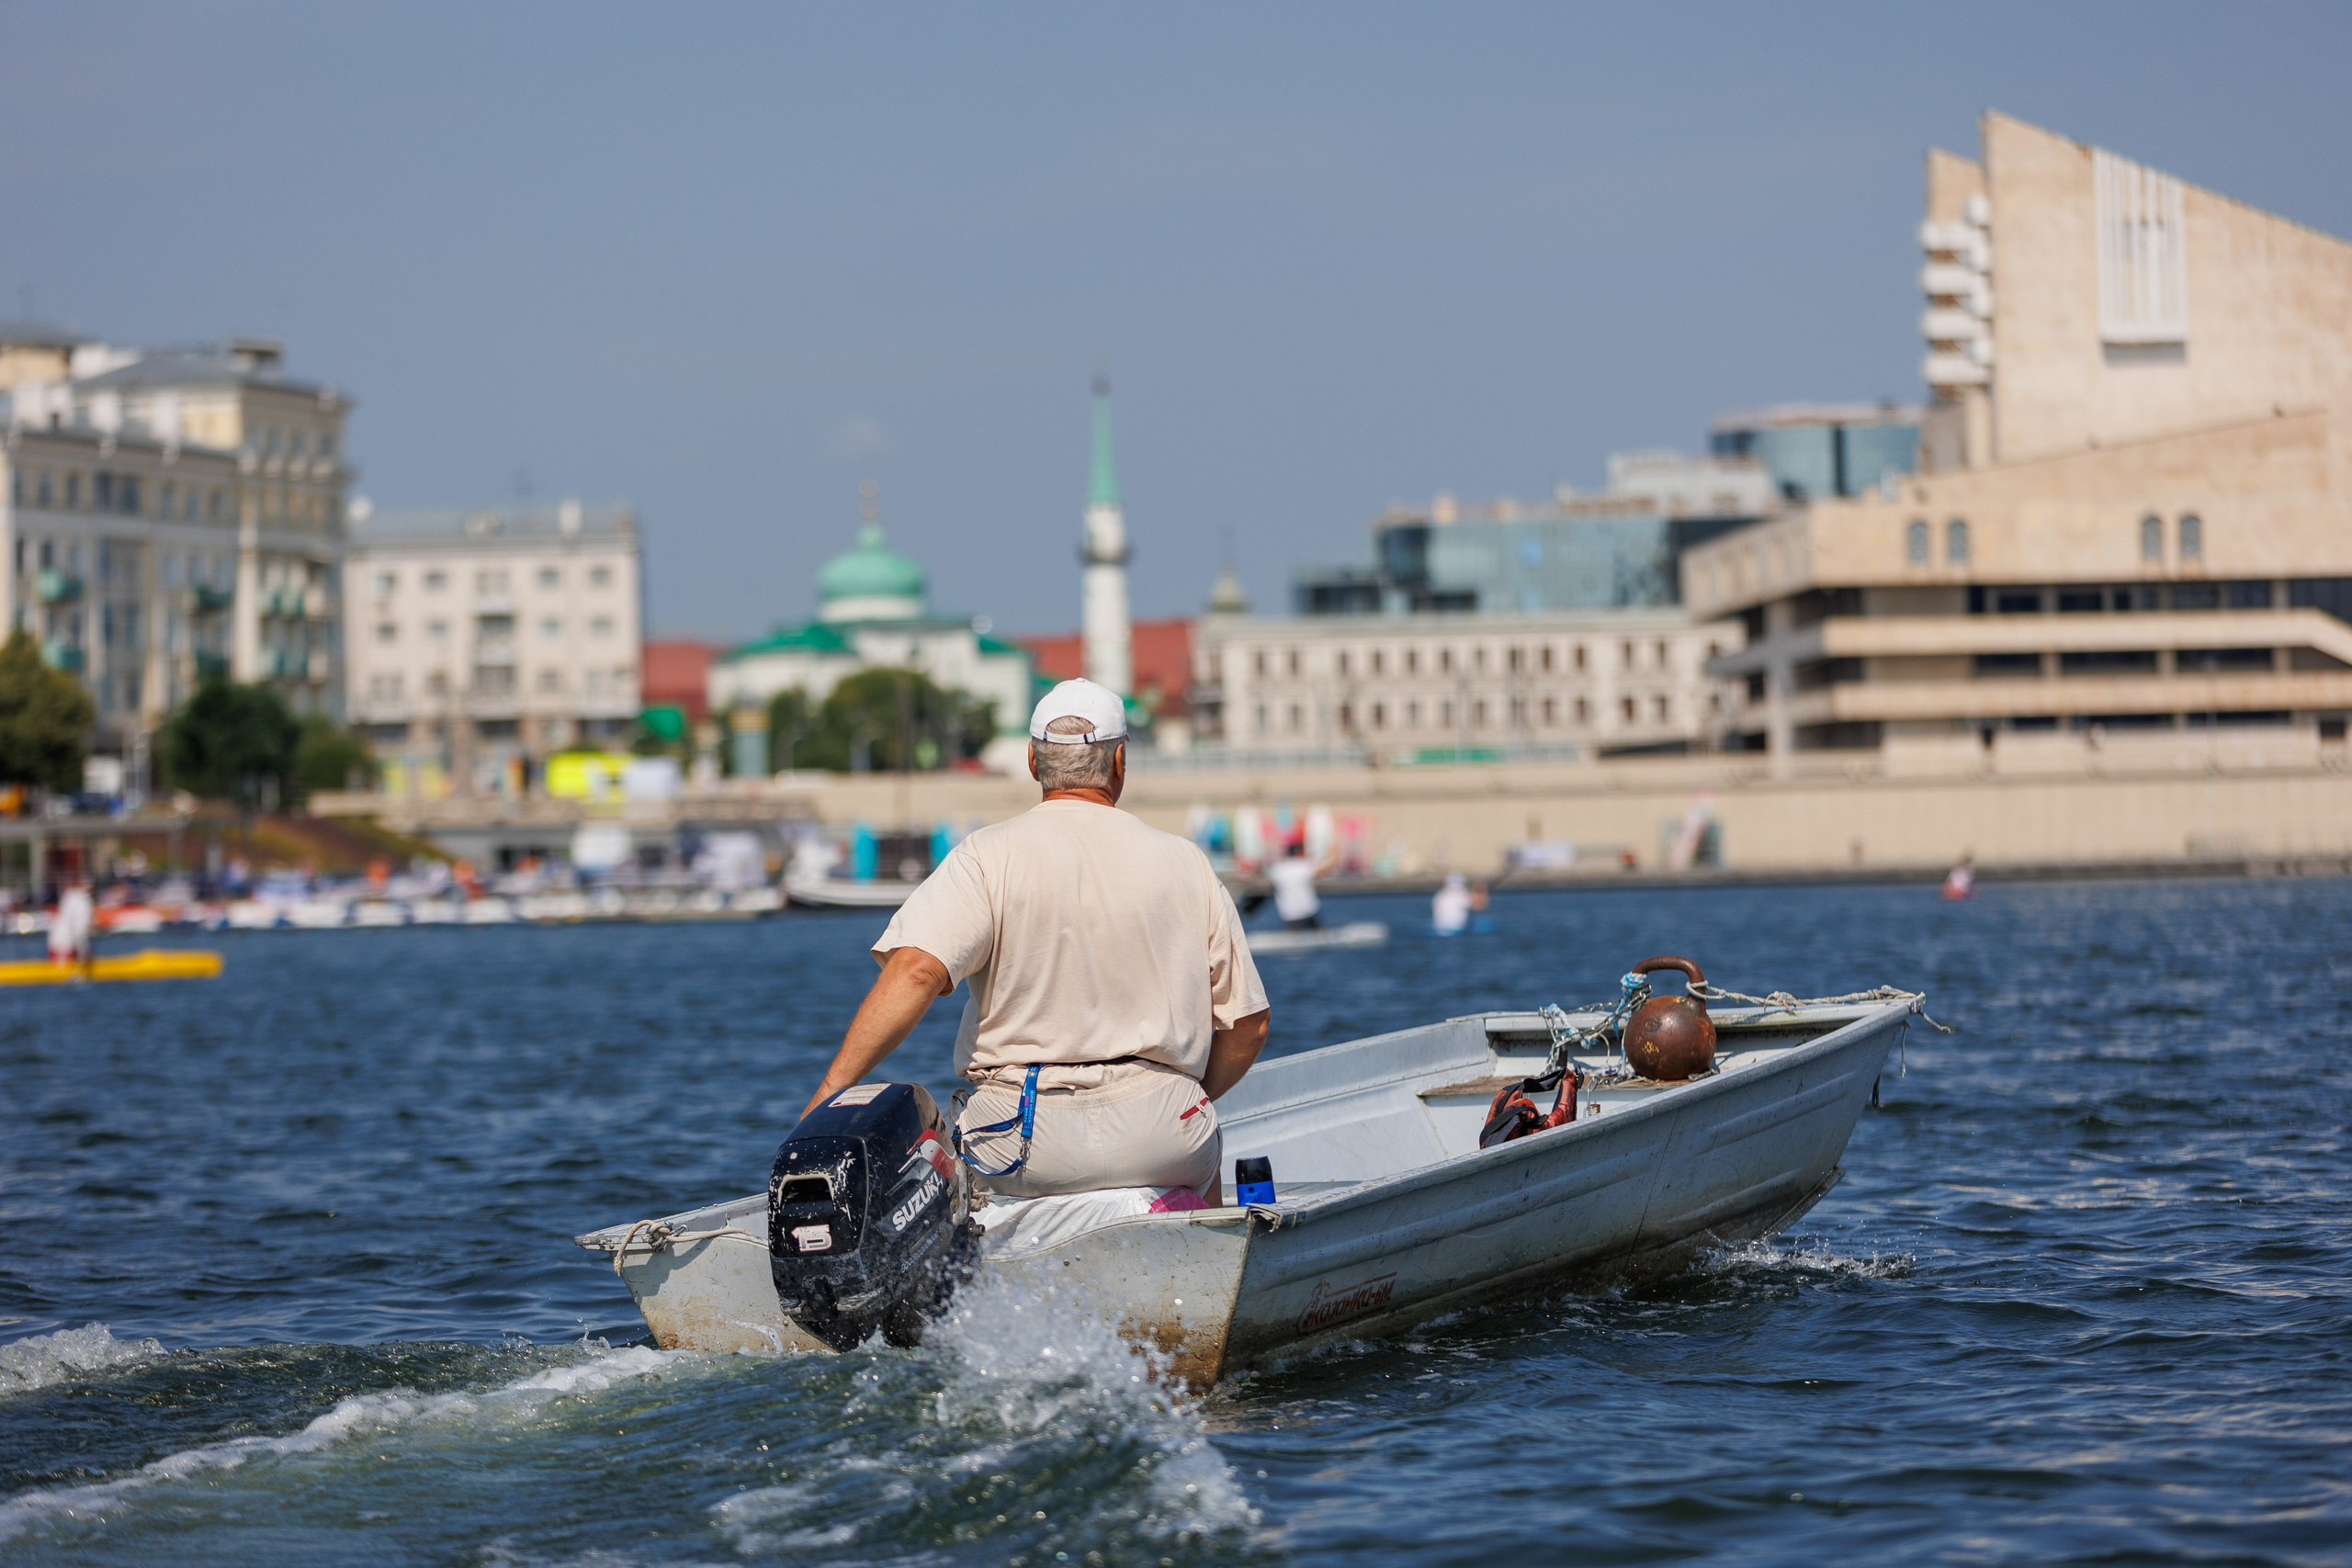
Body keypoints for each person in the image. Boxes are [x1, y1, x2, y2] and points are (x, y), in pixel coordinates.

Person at [798, 678, 1272, 1205]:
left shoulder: (984, 856)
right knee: (1202, 1157)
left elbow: (915, 973)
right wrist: (1182, 1100)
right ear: (1118, 763)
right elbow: (1250, 1026)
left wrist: (825, 1100)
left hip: (1018, 1137)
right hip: (1160, 1132)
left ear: (1031, 761)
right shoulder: (1187, 862)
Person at [1266, 837, 1333, 931]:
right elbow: (1323, 870)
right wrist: (1333, 854)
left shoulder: (1278, 869)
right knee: (1320, 936)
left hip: (1288, 913)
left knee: (1293, 940)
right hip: (1307, 910)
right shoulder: (1303, 865)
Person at [49, 875, 95, 971]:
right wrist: (84, 953)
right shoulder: (85, 903)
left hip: (54, 943)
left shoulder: (69, 895)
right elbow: (79, 930)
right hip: (68, 949)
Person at [1431, 872, 1473, 936]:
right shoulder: (1462, 895)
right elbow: (1479, 906)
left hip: (1439, 929)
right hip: (1457, 929)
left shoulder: (1439, 895)